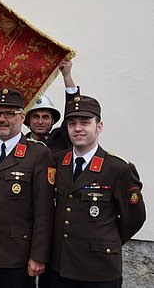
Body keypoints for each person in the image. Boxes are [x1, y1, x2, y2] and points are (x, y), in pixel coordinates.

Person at [45, 95, 146, 288]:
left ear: (98, 126)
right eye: (72, 123)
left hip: (98, 270)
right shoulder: (57, 162)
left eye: (85, 122)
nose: (78, 128)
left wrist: (105, 241)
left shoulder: (118, 169)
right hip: (59, 269)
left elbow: (134, 217)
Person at [0, 88, 56, 288]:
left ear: (22, 117)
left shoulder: (38, 154)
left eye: (9, 113)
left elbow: (44, 211)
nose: (2, 119)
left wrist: (38, 255)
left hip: (17, 255)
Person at [24, 59, 79, 154]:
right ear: (28, 120)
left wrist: (67, 76)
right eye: (36, 117)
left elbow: (73, 110)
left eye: (45, 117)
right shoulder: (19, 143)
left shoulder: (61, 138)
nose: (40, 122)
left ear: (52, 120)